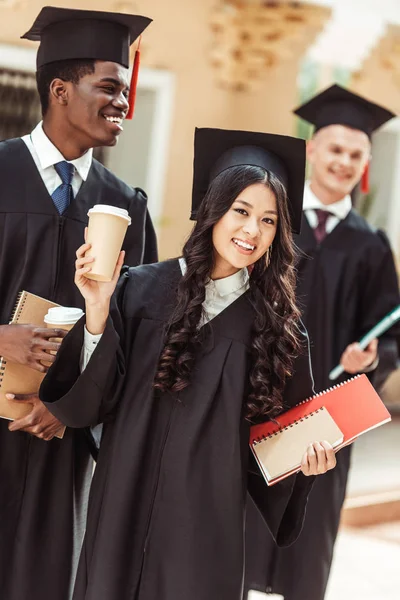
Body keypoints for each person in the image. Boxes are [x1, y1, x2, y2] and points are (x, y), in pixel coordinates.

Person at [39, 127, 337, 600]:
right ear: (212, 209)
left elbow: (281, 440)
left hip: (205, 526)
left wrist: (307, 465)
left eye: (268, 220)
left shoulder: (278, 331)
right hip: (123, 501)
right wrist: (97, 309)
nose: (251, 231)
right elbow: (86, 407)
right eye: (241, 211)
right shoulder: (138, 290)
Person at [0, 7, 156, 600]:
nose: (124, 103)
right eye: (110, 88)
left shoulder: (125, 205)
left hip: (57, 445)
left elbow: (135, 339)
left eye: (127, 90)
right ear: (60, 91)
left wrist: (68, 410)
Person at [244, 85, 400, 600]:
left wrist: (371, 359)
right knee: (236, 533)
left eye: (357, 154)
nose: (344, 162)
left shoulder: (371, 246)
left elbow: (389, 333)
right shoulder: (270, 222)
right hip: (256, 400)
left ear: (366, 164)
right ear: (311, 150)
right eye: (335, 149)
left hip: (327, 417)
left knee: (308, 549)